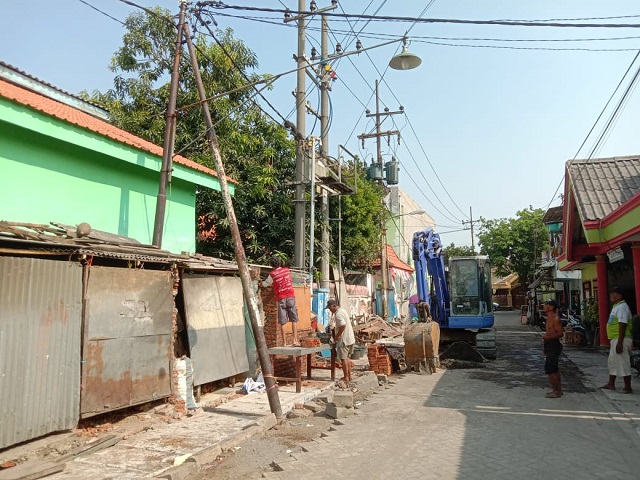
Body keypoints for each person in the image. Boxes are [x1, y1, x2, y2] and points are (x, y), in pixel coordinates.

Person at [601, 286, 634, 394]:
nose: (611, 296)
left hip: (621, 339)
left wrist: (620, 342)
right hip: (615, 339)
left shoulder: (622, 307)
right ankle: (611, 383)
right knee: (613, 362)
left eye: (614, 294)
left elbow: (622, 324)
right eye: (611, 294)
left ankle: (628, 386)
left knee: (623, 362)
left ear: (620, 295)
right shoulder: (617, 306)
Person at [262, 256, 300, 346]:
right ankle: (295, 341)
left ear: (272, 266)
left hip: (281, 298)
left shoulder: (272, 274)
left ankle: (284, 343)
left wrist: (260, 284)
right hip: (291, 296)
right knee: (294, 319)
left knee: (283, 321)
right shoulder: (287, 270)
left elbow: (266, 283)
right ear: (280, 263)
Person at [326, 299, 355, 383]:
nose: (330, 310)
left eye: (330, 308)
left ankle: (346, 377)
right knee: (347, 358)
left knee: (343, 359)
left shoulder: (338, 314)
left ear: (334, 306)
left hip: (344, 340)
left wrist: (337, 336)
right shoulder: (343, 311)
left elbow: (342, 325)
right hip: (350, 338)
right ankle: (349, 376)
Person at [543, 299, 564, 398]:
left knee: (550, 369)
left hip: (553, 344)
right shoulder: (548, 318)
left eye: (546, 305)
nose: (544, 306)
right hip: (549, 344)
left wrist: (549, 338)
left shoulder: (555, 318)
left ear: (551, 307)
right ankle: (558, 389)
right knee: (554, 369)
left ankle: (556, 391)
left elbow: (560, 333)